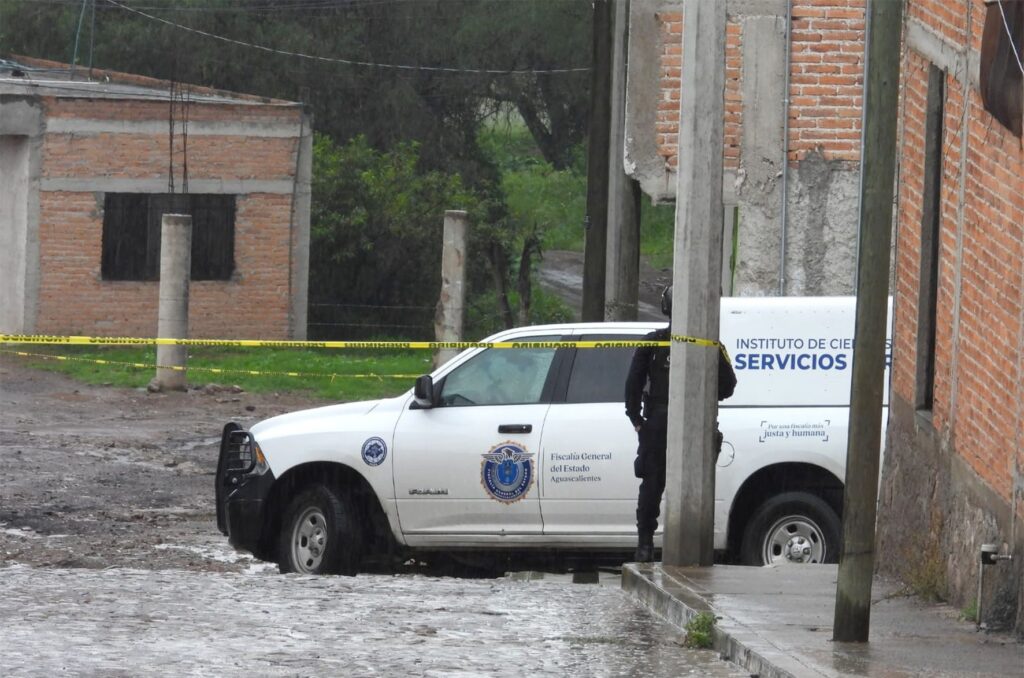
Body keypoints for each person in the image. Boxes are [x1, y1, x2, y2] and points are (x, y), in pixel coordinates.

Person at [624, 285, 737, 562]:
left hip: (658, 424)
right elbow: (728, 386)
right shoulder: (709, 345)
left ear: (666, 307)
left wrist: (637, 420)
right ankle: (692, 548)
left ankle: (645, 546)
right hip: (694, 425)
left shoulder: (654, 343)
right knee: (693, 488)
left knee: (652, 484)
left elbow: (632, 387)